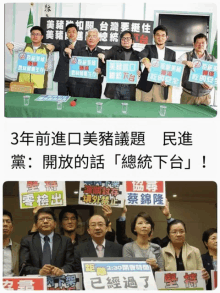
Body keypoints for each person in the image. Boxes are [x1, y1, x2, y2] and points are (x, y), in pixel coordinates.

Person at [19, 207, 74, 276]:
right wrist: (39, 271)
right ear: (36, 225)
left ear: (55, 224)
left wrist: (62, 270)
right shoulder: (27, 241)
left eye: (49, 218)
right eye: (42, 219)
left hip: (58, 282)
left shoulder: (65, 241)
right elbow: (23, 266)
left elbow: (71, 264)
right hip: (36, 282)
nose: (45, 221)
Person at [6, 26, 54, 94]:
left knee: (38, 104)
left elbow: (50, 67)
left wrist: (46, 67)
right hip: (23, 83)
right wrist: (10, 45)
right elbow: (13, 45)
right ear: (30, 36)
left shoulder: (47, 49)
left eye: (37, 34)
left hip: (39, 85)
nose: (35, 36)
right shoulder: (24, 46)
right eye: (33, 34)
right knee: (22, 103)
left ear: (42, 36)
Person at [136, 25, 176, 103]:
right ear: (154, 36)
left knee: (159, 112)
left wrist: (168, 81)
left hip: (162, 87)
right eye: (157, 35)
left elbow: (173, 71)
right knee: (144, 110)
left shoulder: (171, 53)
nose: (160, 38)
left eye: (163, 35)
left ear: (166, 37)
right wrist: (145, 60)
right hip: (147, 86)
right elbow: (141, 54)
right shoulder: (149, 48)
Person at [98, 30, 140, 100]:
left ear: (132, 41)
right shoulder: (115, 49)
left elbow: (139, 70)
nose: (125, 40)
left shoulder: (137, 55)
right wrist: (103, 55)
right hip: (115, 86)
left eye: (128, 38)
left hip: (129, 87)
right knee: (114, 108)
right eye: (123, 38)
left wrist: (139, 72)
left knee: (127, 108)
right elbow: (108, 53)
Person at [64, 28, 105, 99]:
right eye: (89, 36)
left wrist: (101, 71)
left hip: (95, 87)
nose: (91, 38)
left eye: (94, 36)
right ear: (86, 39)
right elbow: (68, 60)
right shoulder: (78, 51)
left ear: (98, 39)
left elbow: (106, 69)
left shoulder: (102, 53)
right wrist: (66, 52)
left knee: (92, 108)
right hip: (79, 86)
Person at [46, 23, 84, 96]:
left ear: (77, 33)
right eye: (69, 32)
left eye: (73, 31)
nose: (71, 34)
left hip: (76, 79)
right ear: (66, 34)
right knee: (61, 100)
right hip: (62, 77)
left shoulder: (82, 45)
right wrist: (52, 46)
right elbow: (55, 46)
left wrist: (73, 50)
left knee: (75, 100)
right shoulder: (62, 43)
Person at [177, 33, 216, 105]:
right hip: (188, 95)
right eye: (198, 43)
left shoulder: (212, 59)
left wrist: (211, 85)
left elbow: (216, 76)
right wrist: (185, 62)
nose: (200, 45)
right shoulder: (187, 55)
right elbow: (176, 64)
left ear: (206, 44)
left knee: (203, 116)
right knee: (185, 115)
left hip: (205, 97)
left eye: (202, 43)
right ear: (193, 44)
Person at [3, 210, 20, 276]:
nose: (5, 224)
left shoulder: (19, 248)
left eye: (8, 221)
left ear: (12, 228)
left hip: (12, 284)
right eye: (1, 221)